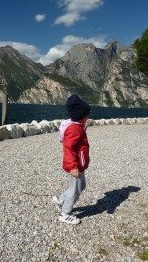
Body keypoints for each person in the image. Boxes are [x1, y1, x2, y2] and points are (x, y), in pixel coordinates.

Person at [52, 94, 91, 225]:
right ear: (81, 116)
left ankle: (61, 199)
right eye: (86, 115)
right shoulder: (74, 129)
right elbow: (68, 149)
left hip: (79, 164)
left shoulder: (78, 126)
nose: (88, 117)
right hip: (75, 165)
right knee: (75, 190)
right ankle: (65, 213)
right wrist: (73, 166)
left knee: (81, 186)